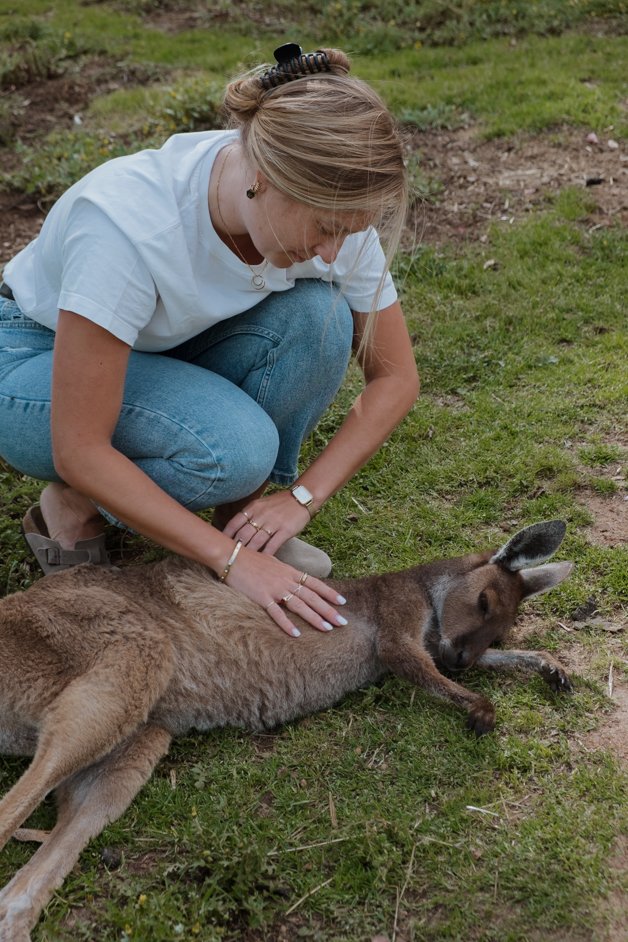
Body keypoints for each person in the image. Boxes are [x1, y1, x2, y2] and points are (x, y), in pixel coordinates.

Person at [0, 44, 419, 638]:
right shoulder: (127, 227)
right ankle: (74, 510)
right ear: (265, 180)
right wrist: (234, 566)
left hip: (157, 350)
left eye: (349, 233)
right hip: (28, 359)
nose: (333, 251)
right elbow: (80, 445)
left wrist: (300, 499)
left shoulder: (334, 210)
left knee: (320, 319)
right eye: (326, 230)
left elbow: (396, 378)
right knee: (231, 449)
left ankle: (241, 520)